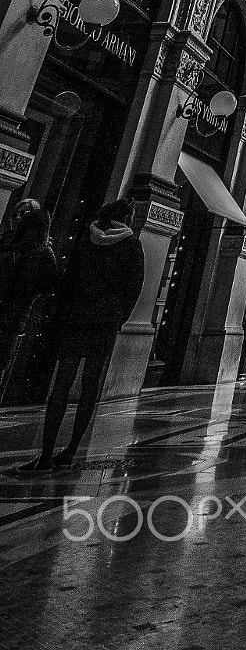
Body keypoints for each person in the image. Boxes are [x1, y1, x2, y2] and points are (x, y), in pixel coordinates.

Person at [20, 198, 144, 472]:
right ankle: (71, 450)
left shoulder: (87, 238)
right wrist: (116, 317)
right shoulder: (131, 245)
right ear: (125, 217)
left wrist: (65, 311)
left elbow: (69, 276)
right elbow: (134, 288)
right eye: (133, 215)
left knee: (62, 383)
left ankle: (45, 454)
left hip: (75, 317)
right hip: (103, 323)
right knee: (89, 387)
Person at [0, 200, 56, 395]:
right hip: (15, 315)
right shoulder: (8, 244)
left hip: (14, 316)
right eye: (18, 215)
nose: (19, 219)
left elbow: (47, 287)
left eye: (25, 215)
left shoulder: (38, 252)